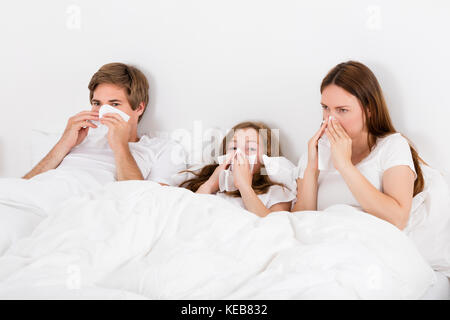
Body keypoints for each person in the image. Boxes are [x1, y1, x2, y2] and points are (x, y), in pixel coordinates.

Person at [0, 62, 186, 254]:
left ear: (138, 108)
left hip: (71, 213)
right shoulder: (82, 138)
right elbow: (26, 184)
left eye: (114, 104)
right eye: (97, 103)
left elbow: (148, 205)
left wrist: (120, 146)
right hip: (28, 199)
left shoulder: (159, 149)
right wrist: (64, 143)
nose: (102, 112)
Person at [292, 61, 425, 230]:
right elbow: (300, 223)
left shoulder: (393, 146)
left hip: (366, 245)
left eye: (342, 110)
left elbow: (398, 219)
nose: (330, 119)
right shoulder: (317, 152)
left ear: (370, 110)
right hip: (322, 244)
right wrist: (311, 169)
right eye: (325, 108)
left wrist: (345, 166)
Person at [180, 121, 295, 217]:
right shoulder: (212, 189)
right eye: (234, 147)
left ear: (266, 158)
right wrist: (209, 185)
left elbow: (275, 228)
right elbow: (190, 215)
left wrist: (244, 186)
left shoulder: (276, 192)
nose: (239, 153)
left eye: (251, 148)